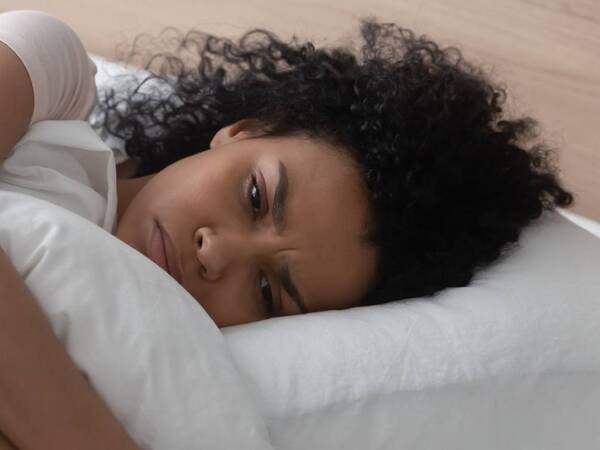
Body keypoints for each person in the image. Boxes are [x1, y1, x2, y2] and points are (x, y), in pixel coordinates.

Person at [0, 8, 574, 450]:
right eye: (255, 197)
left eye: (268, 292)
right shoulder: (51, 76)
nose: (216, 254)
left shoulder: (145, 374)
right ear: (243, 131)